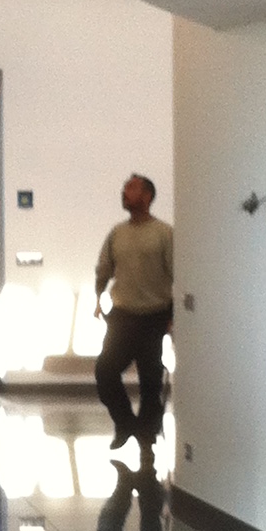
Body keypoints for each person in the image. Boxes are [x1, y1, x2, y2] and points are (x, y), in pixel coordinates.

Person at [94, 172, 174, 455]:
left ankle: (146, 434)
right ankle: (125, 423)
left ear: (147, 196)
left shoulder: (164, 233)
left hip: (154, 316)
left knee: (150, 381)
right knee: (105, 371)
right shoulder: (117, 233)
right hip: (122, 316)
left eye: (131, 188)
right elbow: (104, 268)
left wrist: (174, 315)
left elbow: (177, 273)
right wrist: (98, 297)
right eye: (125, 188)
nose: (124, 192)